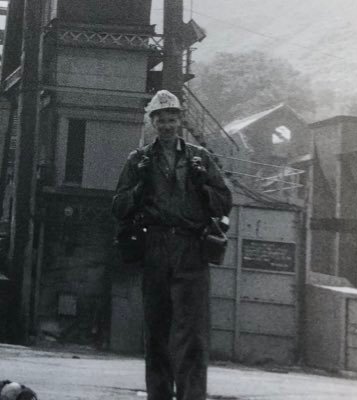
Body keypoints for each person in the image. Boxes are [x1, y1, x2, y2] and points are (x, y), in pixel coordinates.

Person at [112, 90, 232, 400]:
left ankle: (192, 396)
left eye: (172, 119)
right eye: (161, 119)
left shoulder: (200, 158)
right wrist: (138, 187)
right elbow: (118, 206)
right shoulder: (138, 160)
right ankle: (160, 395)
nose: (167, 125)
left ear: (181, 121)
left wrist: (202, 182)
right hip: (155, 245)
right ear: (152, 122)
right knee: (158, 329)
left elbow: (224, 202)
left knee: (192, 333)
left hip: (192, 247)